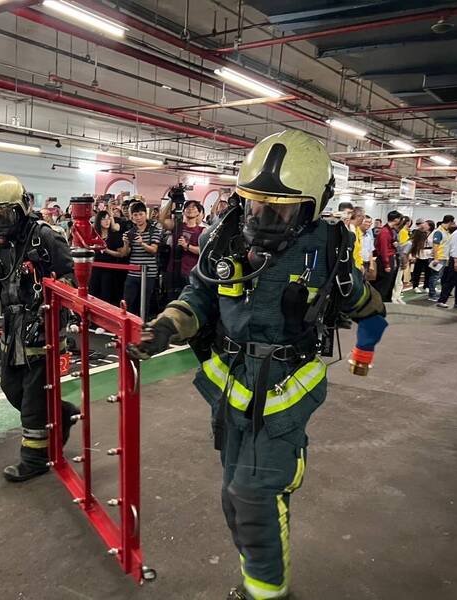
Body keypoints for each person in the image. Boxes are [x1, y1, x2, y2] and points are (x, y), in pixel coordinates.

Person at [128, 130, 387, 600]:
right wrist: (168, 325)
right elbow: (200, 295)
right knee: (235, 495)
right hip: (231, 389)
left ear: (311, 208)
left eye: (280, 208)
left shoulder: (328, 250)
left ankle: (267, 593)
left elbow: (365, 306)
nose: (264, 217)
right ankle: (260, 575)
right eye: (255, 203)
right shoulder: (224, 236)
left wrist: (365, 349)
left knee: (255, 491)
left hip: (288, 389)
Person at [0, 174, 79, 482]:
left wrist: (52, 300)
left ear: (22, 207)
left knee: (32, 400)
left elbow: (72, 279)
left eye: (3, 213)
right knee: (11, 388)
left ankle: (34, 459)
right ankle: (62, 412)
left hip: (44, 331)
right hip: (13, 330)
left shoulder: (46, 237)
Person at [117, 201, 162, 318]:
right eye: (135, 215)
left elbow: (153, 250)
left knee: (144, 303)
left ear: (145, 214)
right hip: (133, 272)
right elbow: (124, 253)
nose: (138, 217)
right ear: (132, 217)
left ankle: (141, 328)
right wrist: (126, 243)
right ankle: (127, 327)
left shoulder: (154, 231)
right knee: (128, 302)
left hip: (148, 273)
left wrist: (142, 243)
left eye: (140, 214)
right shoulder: (130, 232)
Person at [89, 210, 125, 305]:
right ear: (98, 221)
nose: (107, 221)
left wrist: (106, 250)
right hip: (95, 268)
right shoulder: (93, 235)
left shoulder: (115, 235)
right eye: (104, 219)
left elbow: (121, 254)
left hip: (109, 269)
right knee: (93, 294)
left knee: (106, 295)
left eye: (109, 219)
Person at [372, 210, 402, 302]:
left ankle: (385, 301)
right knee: (383, 284)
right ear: (396, 220)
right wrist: (387, 264)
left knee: (389, 283)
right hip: (386, 259)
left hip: (389, 258)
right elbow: (383, 249)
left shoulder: (388, 230)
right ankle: (379, 302)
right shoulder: (385, 232)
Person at [427, 215, 454, 301]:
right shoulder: (438, 232)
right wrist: (436, 258)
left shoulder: (446, 232)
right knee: (435, 277)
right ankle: (432, 295)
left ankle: (434, 292)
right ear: (449, 222)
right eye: (453, 222)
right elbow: (435, 245)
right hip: (438, 258)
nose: (453, 224)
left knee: (439, 276)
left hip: (444, 258)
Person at [390, 216, 411, 305]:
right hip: (398, 257)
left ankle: (397, 296)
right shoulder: (401, 232)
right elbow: (401, 248)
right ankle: (394, 297)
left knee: (399, 280)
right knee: (396, 280)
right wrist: (404, 259)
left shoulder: (404, 232)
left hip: (401, 257)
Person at [410, 219, 432, 293]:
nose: (423, 225)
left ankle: (426, 286)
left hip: (429, 254)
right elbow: (414, 244)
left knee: (428, 272)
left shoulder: (433, 233)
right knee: (417, 271)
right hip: (420, 254)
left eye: (426, 224)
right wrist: (413, 255)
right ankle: (415, 286)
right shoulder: (418, 233)